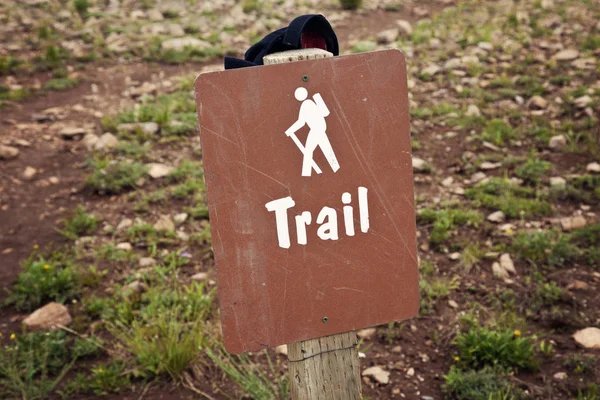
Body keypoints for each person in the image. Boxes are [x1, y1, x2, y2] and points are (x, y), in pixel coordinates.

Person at [285, 87, 340, 177]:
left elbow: (301, 122)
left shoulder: (305, 105)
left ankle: (306, 174)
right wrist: (290, 130)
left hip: (316, 129)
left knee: (308, 151)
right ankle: (336, 168)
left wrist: (290, 130)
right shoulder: (311, 102)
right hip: (321, 127)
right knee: (326, 148)